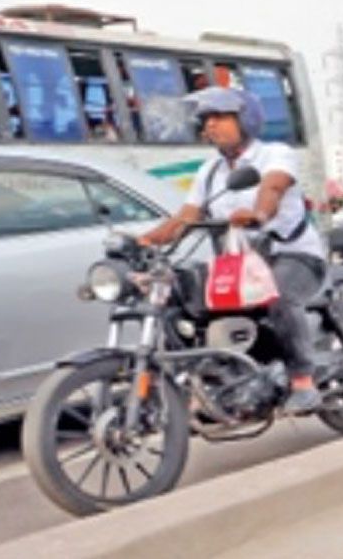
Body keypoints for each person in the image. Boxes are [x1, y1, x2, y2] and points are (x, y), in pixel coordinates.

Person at [137, 86, 327, 414]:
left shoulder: (275, 154)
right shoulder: (209, 171)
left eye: (220, 117)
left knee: (278, 296)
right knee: (182, 300)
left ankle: (302, 381)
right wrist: (145, 241)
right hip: (239, 266)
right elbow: (186, 216)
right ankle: (218, 378)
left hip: (293, 255)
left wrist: (259, 215)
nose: (210, 125)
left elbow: (273, 186)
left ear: (245, 119)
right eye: (206, 119)